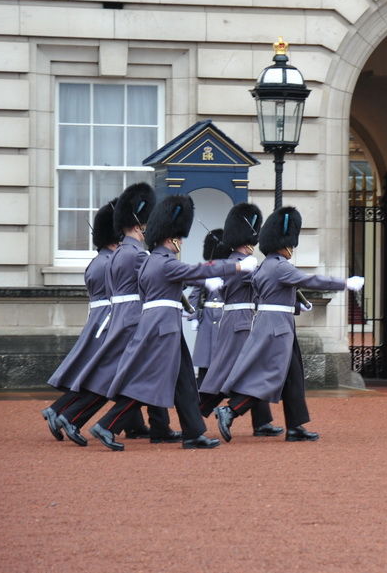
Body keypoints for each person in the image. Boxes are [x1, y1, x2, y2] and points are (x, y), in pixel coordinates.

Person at [89, 194, 259, 451]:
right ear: (171, 239)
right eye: (178, 238)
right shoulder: (164, 263)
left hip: (161, 325)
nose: (180, 242)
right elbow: (199, 270)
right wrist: (236, 268)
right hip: (163, 328)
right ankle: (107, 424)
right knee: (148, 381)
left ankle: (193, 433)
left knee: (185, 383)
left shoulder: (150, 261)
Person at [216, 206, 364, 443]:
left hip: (275, 323)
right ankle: (231, 410)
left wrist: (296, 306)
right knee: (269, 375)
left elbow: (266, 297)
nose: (292, 249)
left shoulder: (265, 266)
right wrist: (345, 283)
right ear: (283, 244)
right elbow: (312, 279)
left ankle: (295, 427)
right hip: (277, 328)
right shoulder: (281, 266)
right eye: (291, 245)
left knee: (293, 376)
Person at [56, 182, 172, 445]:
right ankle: (76, 417)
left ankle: (83, 418)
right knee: (123, 376)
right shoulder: (135, 254)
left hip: (118, 318)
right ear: (138, 225)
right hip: (131, 321)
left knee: (119, 375)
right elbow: (158, 276)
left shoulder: (114, 255)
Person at [198, 202, 282, 438]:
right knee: (246, 371)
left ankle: (261, 421)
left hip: (242, 319)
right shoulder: (239, 264)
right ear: (247, 243)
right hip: (240, 321)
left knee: (247, 371)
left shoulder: (237, 262)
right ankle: (200, 416)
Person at [40, 198, 117, 440]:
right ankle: (68, 415)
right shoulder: (110, 263)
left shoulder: (98, 261)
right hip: (110, 322)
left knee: (93, 374)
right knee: (105, 376)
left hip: (98, 320)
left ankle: (57, 410)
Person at [188, 228, 226, 386]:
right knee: (205, 357)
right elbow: (195, 294)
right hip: (208, 315)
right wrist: (194, 316)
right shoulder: (205, 268)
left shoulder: (231, 267)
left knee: (223, 355)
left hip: (225, 314)